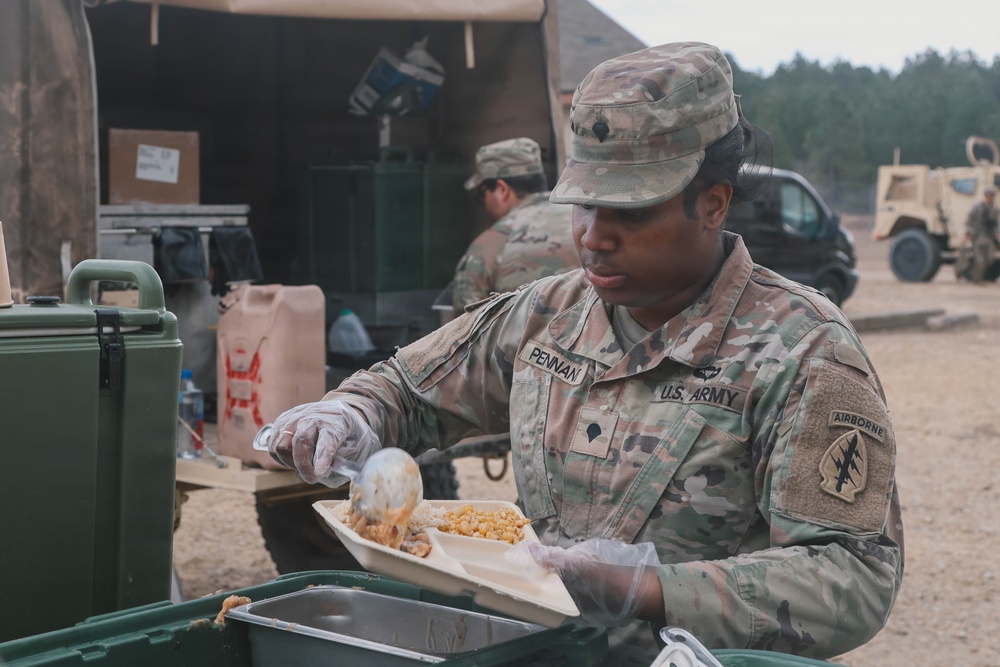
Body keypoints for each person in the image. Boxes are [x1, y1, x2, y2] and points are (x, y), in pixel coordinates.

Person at [268, 42, 903, 664]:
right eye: (583, 205)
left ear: (713, 202)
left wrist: (648, 589)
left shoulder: (803, 350)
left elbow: (852, 577)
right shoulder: (549, 313)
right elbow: (409, 388)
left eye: (630, 210)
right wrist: (349, 415)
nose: (593, 237)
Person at [452, 137, 579, 310]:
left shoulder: (486, 250)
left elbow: (464, 330)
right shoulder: (584, 221)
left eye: (482, 195)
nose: (485, 203)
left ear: (502, 189)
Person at [963, 187, 999, 283]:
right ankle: (977, 279)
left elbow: (996, 224)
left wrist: (997, 235)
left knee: (990, 258)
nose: (989, 197)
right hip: (977, 236)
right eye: (988, 196)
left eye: (991, 196)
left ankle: (977, 275)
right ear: (985, 196)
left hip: (989, 237)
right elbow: (969, 222)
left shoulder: (995, 209)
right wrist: (966, 235)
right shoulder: (977, 208)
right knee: (979, 259)